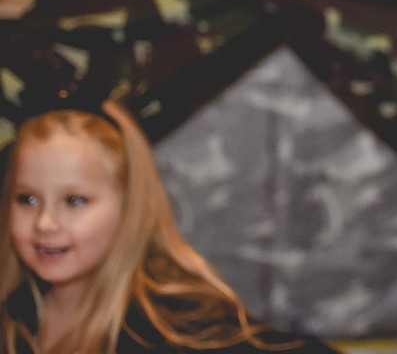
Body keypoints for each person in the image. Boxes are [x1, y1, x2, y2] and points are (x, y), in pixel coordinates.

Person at [0, 98, 337, 354]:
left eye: (74, 201)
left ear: (129, 206)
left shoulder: (177, 326)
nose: (44, 223)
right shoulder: (14, 317)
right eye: (26, 199)